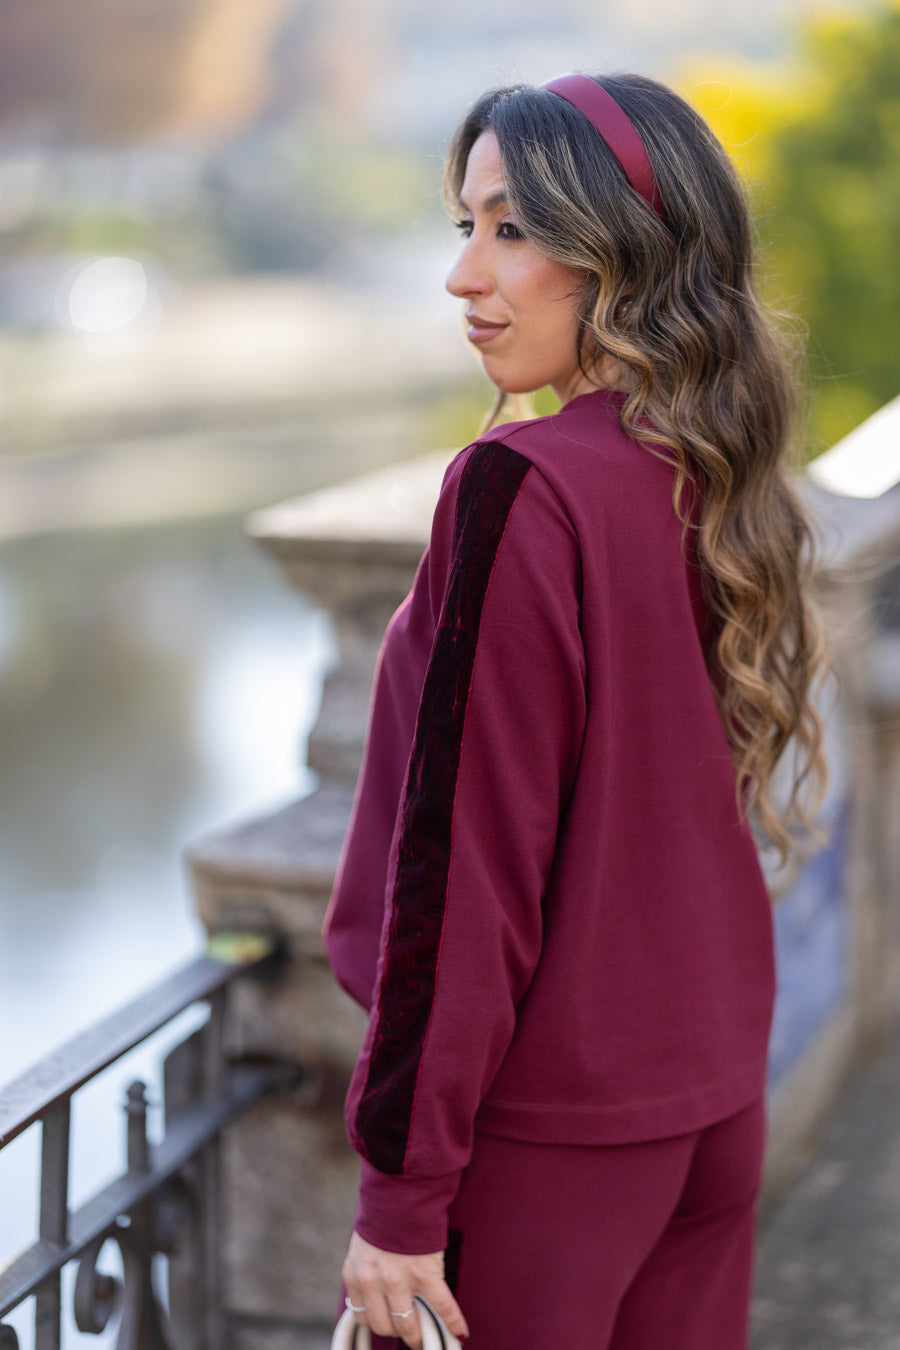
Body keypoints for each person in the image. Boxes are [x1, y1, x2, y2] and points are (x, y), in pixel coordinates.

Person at [323, 71, 827, 1350]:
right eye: (466, 226)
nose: (465, 276)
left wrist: (401, 1194)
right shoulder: (711, 470)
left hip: (550, 1138)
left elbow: (463, 871)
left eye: (514, 229)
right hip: (712, 1098)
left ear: (624, 251)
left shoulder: (522, 486)